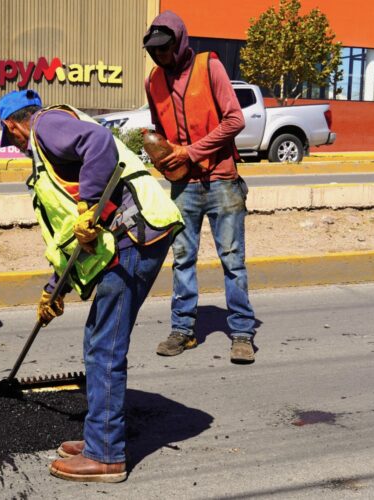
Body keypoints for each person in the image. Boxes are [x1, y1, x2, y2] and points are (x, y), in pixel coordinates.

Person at [0, 89, 183, 482]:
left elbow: (99, 143)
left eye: (9, 137)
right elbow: (74, 232)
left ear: (12, 125)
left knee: (105, 345)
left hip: (136, 234)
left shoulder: (46, 125)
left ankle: (106, 455)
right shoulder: (52, 156)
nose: (14, 146)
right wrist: (54, 289)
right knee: (98, 339)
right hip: (129, 237)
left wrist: (90, 204)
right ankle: (100, 433)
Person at [143, 11, 257, 364]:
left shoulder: (210, 67)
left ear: (179, 41)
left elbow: (235, 119)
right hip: (184, 186)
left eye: (165, 49)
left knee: (232, 261)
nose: (161, 56)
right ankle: (183, 330)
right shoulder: (153, 82)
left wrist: (191, 151)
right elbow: (160, 129)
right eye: (155, 52)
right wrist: (161, 154)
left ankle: (241, 333)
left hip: (222, 179)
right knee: (182, 261)